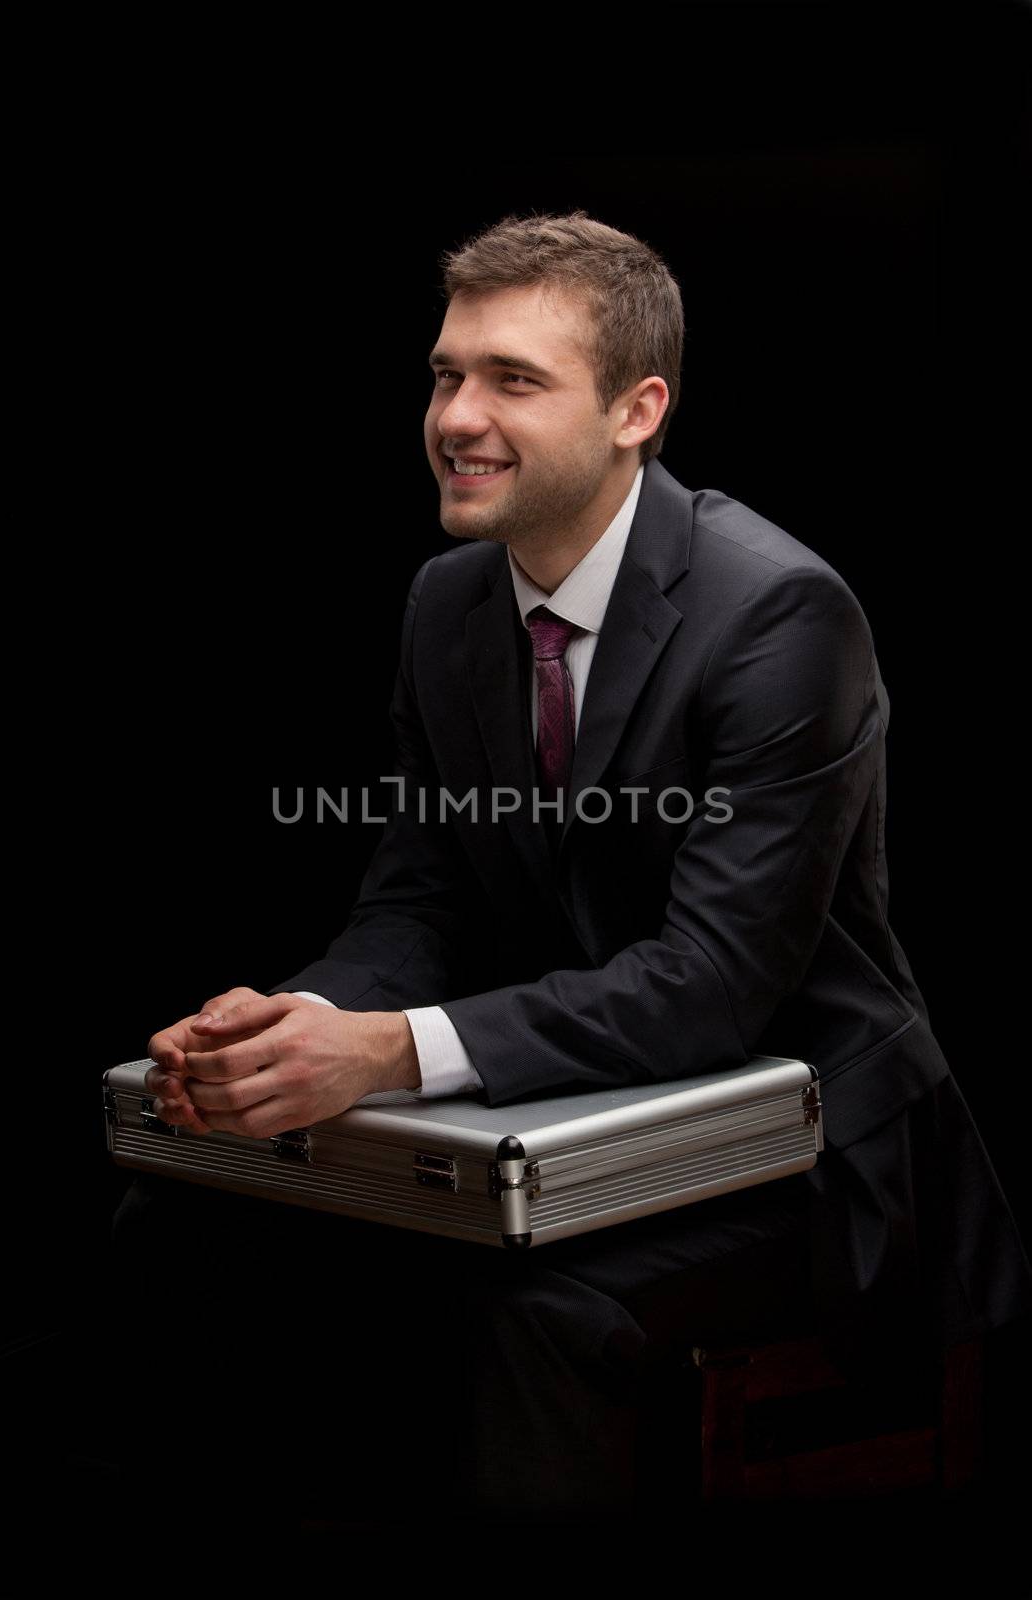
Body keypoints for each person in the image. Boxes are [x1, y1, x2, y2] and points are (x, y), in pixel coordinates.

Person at [112, 211, 1031, 1528]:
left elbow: (716, 984)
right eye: (445, 373)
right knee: (188, 1233)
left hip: (812, 1147)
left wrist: (387, 1055)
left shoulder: (778, 615)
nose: (458, 415)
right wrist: (300, 1019)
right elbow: (419, 896)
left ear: (636, 411)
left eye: (514, 380)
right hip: (582, 1105)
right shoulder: (448, 604)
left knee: (535, 1314)